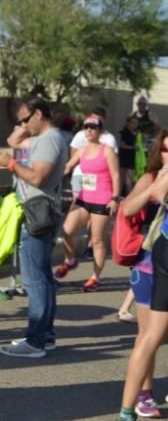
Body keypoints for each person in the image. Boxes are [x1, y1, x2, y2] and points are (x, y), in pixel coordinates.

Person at [0, 96, 68, 358]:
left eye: (26, 119)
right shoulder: (41, 139)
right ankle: (44, 336)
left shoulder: (50, 140)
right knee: (43, 279)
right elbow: (13, 142)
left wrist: (11, 164)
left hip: (38, 213)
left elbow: (38, 177)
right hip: (39, 212)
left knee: (35, 280)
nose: (22, 125)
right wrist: (23, 127)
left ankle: (36, 341)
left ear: (39, 114)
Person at [117, 129, 168, 421]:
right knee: (148, 336)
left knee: (157, 335)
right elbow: (127, 209)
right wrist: (152, 189)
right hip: (149, 266)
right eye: (165, 150)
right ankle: (143, 395)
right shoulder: (150, 178)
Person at [55, 113, 120, 291]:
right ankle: (70, 260)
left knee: (97, 240)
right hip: (83, 198)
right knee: (67, 230)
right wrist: (52, 177)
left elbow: (115, 175)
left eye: (93, 127)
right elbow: (68, 166)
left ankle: (95, 277)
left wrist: (115, 198)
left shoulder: (107, 150)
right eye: (86, 127)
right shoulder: (82, 150)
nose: (89, 130)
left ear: (100, 130)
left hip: (102, 199)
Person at [120, 116, 141, 195]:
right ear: (128, 123)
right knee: (124, 180)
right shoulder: (125, 132)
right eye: (133, 123)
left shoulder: (135, 133)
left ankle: (128, 197)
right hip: (124, 158)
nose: (135, 125)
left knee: (129, 180)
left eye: (136, 123)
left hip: (131, 158)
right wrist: (133, 148)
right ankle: (121, 196)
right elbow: (122, 145)